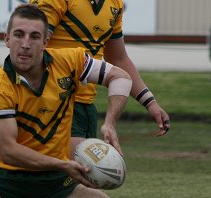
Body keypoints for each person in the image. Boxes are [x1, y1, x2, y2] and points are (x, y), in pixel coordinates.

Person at [0, 4, 132, 198]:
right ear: (7, 39)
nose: (26, 44)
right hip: (8, 181)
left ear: (46, 41)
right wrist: (62, 164)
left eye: (35, 37)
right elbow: (8, 151)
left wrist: (110, 123)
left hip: (58, 183)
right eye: (19, 35)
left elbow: (120, 77)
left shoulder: (70, 61)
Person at [30, 0, 171, 159]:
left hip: (86, 107)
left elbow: (118, 58)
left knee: (81, 177)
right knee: (82, 174)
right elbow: (32, 43)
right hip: (54, 102)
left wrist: (150, 102)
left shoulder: (114, 3)